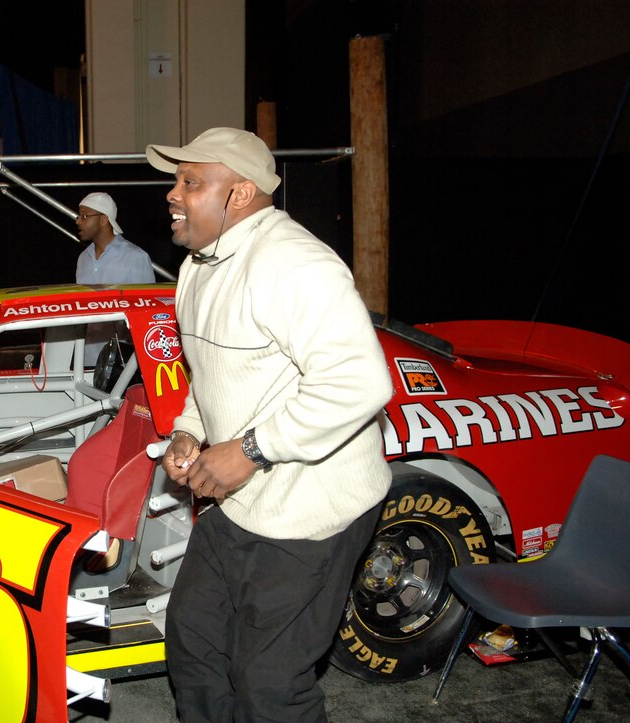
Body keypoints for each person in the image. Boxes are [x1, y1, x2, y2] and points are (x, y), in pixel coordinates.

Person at [146, 127, 393, 722]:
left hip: (315, 508)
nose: (173, 195)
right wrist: (188, 430)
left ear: (240, 194)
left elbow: (360, 382)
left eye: (191, 182)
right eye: (177, 182)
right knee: (193, 639)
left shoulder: (293, 263)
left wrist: (250, 450)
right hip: (241, 502)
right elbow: (211, 375)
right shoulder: (196, 269)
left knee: (268, 681)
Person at [74, 191, 155, 365]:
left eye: (85, 216)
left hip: (121, 365)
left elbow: (148, 316)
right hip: (85, 362)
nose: (78, 221)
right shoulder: (83, 259)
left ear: (104, 219)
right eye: (79, 216)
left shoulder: (135, 257)